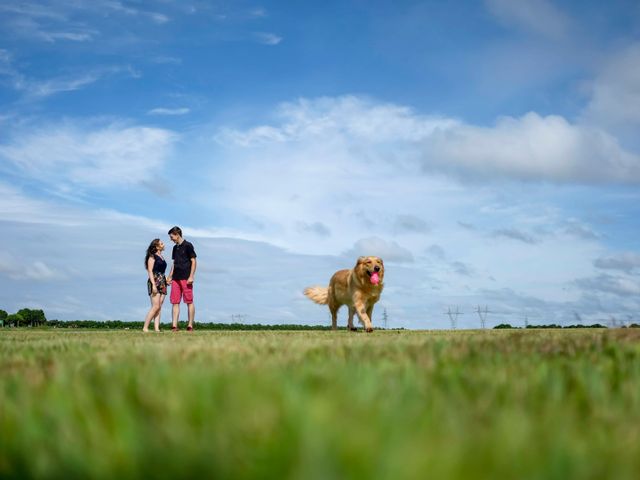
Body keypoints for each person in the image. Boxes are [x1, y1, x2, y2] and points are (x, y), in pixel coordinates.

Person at [167, 226, 197, 331]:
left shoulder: (188, 245)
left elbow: (193, 261)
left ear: (177, 234)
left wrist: (191, 276)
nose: (171, 239)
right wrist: (170, 276)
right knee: (175, 302)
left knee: (189, 301)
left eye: (172, 237)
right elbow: (174, 263)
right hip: (175, 278)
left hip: (186, 277)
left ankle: (190, 325)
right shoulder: (175, 248)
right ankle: (174, 326)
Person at [142, 239, 167, 332]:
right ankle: (145, 327)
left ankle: (157, 328)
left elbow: (162, 271)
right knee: (155, 306)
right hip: (155, 281)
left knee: (159, 307)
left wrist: (166, 280)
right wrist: (153, 285)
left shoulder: (162, 256)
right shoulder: (152, 257)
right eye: (161, 243)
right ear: (156, 246)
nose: (163, 244)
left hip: (162, 281)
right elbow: (150, 271)